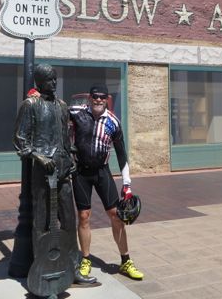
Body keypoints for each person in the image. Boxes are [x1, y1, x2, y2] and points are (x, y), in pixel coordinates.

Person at [11, 64, 93, 288]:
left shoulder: (62, 105)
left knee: (69, 221)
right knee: (41, 221)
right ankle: (42, 269)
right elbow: (20, 139)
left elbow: (65, 137)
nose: (54, 83)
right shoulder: (30, 105)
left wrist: (71, 159)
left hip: (63, 170)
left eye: (55, 79)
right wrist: (38, 156)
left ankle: (73, 268)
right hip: (43, 173)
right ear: (39, 82)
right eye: (49, 79)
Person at [71, 84, 144, 281]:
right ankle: (86, 259)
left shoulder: (113, 122)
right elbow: (56, 110)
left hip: (102, 172)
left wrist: (127, 184)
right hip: (80, 173)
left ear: (107, 99)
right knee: (83, 216)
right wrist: (38, 96)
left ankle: (126, 261)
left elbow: (121, 154)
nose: (98, 100)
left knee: (116, 215)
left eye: (102, 97)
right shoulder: (76, 112)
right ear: (89, 97)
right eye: (95, 96)